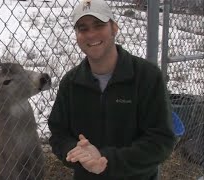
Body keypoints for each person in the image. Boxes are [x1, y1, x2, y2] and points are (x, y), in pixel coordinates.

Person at [47, 0, 176, 179]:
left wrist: (105, 160)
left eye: (99, 25)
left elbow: (161, 141)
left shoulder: (147, 76)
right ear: (77, 35)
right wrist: (76, 152)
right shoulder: (71, 82)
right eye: (83, 28)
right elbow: (58, 134)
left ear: (114, 28)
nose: (91, 34)